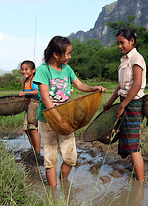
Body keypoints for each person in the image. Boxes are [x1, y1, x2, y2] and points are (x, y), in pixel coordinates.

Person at [33, 36, 106, 187]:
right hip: (48, 119)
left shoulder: (67, 69)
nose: (70, 57)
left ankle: (64, 184)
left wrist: (93, 88)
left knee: (70, 158)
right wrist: (57, 118)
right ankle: (53, 195)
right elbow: (46, 99)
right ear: (56, 54)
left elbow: (79, 85)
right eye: (67, 54)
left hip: (65, 118)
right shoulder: (42, 70)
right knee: (50, 159)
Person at [103, 28, 146, 181]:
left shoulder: (136, 58)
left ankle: (140, 183)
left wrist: (122, 105)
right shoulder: (124, 60)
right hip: (125, 101)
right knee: (130, 141)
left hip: (133, 103)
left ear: (132, 41)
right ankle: (138, 179)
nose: (119, 46)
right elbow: (121, 85)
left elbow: (137, 85)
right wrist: (110, 102)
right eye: (118, 44)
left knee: (133, 145)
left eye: (122, 43)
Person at [18, 60, 41, 156]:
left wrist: (26, 93)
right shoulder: (25, 82)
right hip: (27, 108)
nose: (24, 71)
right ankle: (33, 148)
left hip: (34, 106)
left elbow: (36, 92)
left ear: (33, 70)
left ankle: (38, 151)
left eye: (26, 69)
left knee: (33, 129)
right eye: (22, 69)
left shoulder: (34, 80)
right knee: (26, 130)